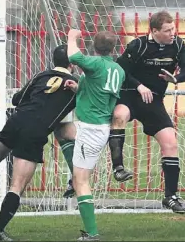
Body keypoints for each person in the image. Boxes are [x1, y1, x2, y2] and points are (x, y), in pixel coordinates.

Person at [0, 44, 79, 240]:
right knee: (17, 186)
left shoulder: (41, 75)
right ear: (72, 64)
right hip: (35, 130)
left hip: (17, 120)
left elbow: (17, 99)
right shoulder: (77, 85)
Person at [107, 10, 185, 214]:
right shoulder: (138, 45)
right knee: (119, 115)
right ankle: (119, 168)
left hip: (153, 100)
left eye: (173, 28)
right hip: (130, 95)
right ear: (154, 31)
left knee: (170, 142)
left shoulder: (178, 44)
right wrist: (139, 86)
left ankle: (171, 196)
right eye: (167, 30)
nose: (173, 32)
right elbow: (121, 70)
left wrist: (177, 79)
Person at [66, 29, 125, 241]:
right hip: (100, 127)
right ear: (114, 48)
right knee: (78, 174)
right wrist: (78, 89)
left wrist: (72, 37)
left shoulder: (95, 64)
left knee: (80, 181)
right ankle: (90, 230)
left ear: (94, 47)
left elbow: (73, 56)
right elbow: (103, 95)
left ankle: (91, 233)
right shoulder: (118, 69)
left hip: (90, 128)